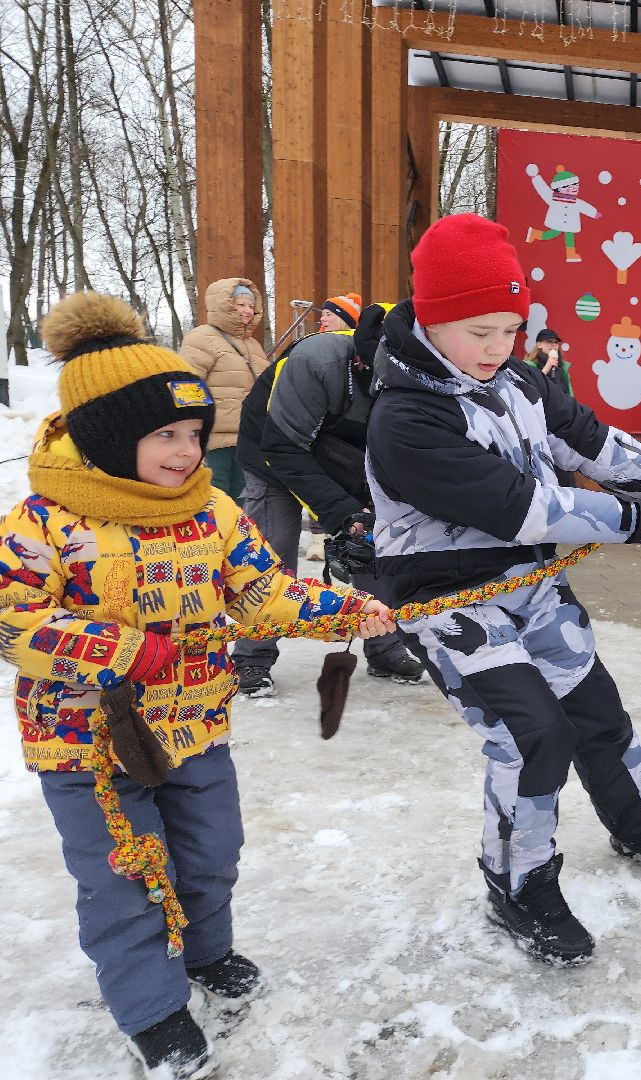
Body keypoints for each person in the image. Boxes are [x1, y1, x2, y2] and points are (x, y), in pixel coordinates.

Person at [0, 293, 394, 1079]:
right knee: (127, 873)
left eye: (192, 431)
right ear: (110, 436)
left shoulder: (211, 512)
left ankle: (207, 951)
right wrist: (117, 651)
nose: (187, 450)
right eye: (165, 435)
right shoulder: (41, 522)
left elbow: (262, 594)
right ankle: (152, 1006)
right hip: (85, 742)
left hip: (194, 726)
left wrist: (347, 608)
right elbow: (12, 618)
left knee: (212, 852)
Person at [365, 213, 641, 965]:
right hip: (446, 598)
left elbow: (592, 443)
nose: (497, 349)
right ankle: (518, 882)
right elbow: (518, 506)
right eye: (479, 331)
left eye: (511, 329)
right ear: (431, 319)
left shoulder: (519, 378)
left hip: (530, 582)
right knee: (532, 737)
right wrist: (632, 518)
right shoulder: (406, 417)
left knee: (597, 713)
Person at [232, 302, 424, 697]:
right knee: (272, 551)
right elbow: (282, 448)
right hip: (273, 452)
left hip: (346, 458)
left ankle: (383, 644)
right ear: (363, 360)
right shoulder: (316, 359)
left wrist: (364, 515)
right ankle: (252, 656)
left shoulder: (421, 374)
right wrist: (339, 513)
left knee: (371, 547)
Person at [179, 278, 269, 501]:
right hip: (214, 440)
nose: (247, 311)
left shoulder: (253, 346)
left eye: (250, 306)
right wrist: (191, 431)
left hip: (246, 438)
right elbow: (187, 386)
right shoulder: (202, 337)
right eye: (240, 305)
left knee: (242, 499)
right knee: (213, 497)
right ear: (224, 305)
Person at [523, 328, 573, 396]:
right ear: (539, 345)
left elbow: (568, 393)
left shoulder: (563, 367)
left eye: (556, 342)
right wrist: (547, 367)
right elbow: (529, 389)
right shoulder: (529, 366)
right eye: (549, 341)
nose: (553, 345)